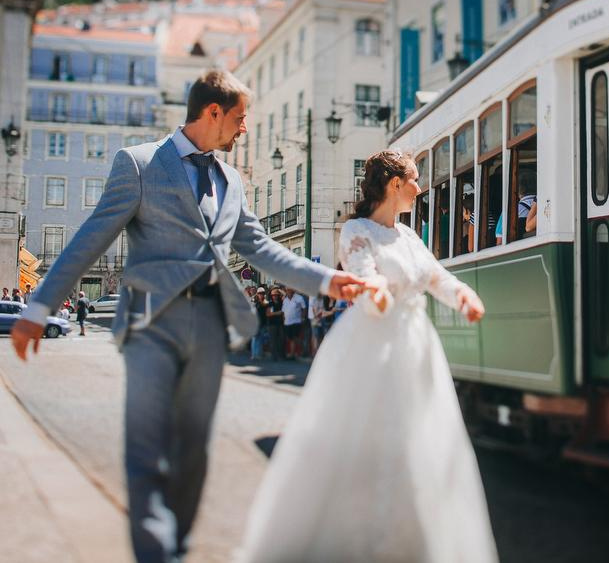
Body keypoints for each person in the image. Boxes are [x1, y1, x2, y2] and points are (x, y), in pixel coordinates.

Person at [10, 69, 366, 563]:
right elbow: (93, 236)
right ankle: (158, 555)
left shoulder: (232, 180)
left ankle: (176, 543)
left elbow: (261, 249)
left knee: (194, 450)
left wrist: (327, 280)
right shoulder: (138, 164)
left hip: (210, 324)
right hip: (151, 322)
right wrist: (39, 307)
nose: (245, 129)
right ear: (212, 112)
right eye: (240, 119)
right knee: (147, 446)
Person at [238, 150, 496, 563]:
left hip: (415, 345)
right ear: (396, 184)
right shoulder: (356, 230)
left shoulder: (409, 236)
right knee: (367, 436)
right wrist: (374, 291)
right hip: (373, 344)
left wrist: (462, 295)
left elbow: (434, 276)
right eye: (415, 179)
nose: (419, 186)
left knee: (418, 439)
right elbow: (363, 274)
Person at [282, 285, 307, 358]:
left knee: (295, 338)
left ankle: (296, 353)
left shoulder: (299, 298)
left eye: (290, 290)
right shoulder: (285, 299)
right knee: (290, 338)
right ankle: (294, 352)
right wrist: (283, 320)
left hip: (296, 321)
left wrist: (303, 318)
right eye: (287, 290)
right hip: (287, 322)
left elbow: (304, 308)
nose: (289, 291)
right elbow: (283, 311)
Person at [265, 287, 286, 361]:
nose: (275, 296)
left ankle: (281, 355)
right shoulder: (270, 304)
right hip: (272, 324)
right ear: (271, 296)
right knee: (273, 340)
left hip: (280, 323)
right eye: (274, 295)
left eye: (276, 295)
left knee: (281, 339)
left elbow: (285, 295)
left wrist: (279, 289)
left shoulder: (281, 302)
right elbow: (268, 314)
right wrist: (278, 313)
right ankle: (274, 356)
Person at [250, 287, 269, 361]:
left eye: (263, 293)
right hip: (255, 323)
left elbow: (267, 313)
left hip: (263, 323)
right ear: (257, 294)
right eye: (260, 293)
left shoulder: (266, 303)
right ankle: (254, 354)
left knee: (260, 339)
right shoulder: (254, 302)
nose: (261, 295)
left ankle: (258, 354)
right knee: (255, 339)